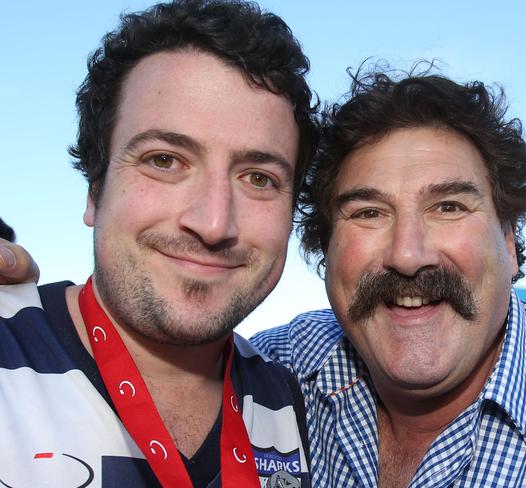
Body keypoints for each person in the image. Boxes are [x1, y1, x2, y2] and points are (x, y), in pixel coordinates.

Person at [251, 70, 526, 486]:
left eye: (449, 207)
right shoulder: (269, 372)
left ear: (509, 241)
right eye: (369, 212)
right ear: (326, 246)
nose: (407, 254)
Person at [0, 0, 317, 486]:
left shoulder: (289, 399)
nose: (213, 223)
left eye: (257, 177)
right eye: (165, 161)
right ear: (94, 190)